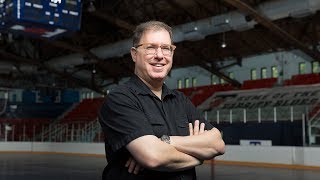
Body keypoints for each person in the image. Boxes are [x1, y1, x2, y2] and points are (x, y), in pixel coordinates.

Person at [98, 20, 225, 180]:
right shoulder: (120, 99)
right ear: (134, 54)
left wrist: (165, 141)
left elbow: (218, 144)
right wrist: (199, 157)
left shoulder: (181, 100)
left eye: (166, 48)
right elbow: (154, 157)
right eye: (150, 47)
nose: (159, 55)